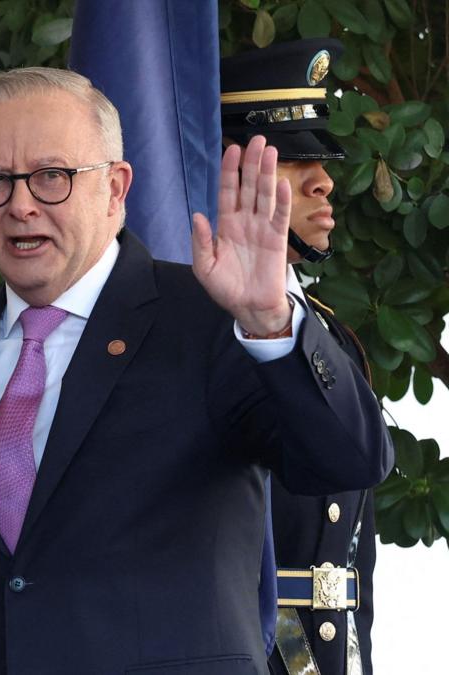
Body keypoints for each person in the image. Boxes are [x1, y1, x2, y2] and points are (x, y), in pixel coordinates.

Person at [0, 66, 392, 674]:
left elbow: (349, 461)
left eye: (52, 176)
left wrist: (272, 323)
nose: (20, 205)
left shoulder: (213, 321)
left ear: (115, 188)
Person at [221, 39, 377, 675]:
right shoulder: (204, 330)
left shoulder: (325, 331)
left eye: (322, 160)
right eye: (291, 160)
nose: (323, 181)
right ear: (230, 172)